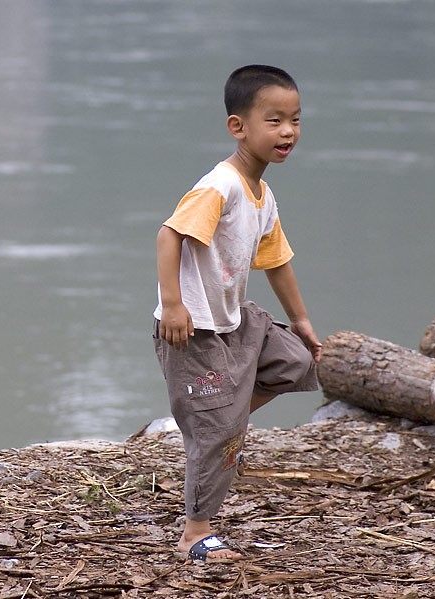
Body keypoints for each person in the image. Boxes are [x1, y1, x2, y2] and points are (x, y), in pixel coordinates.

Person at [152, 65, 323, 562]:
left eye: (295, 119)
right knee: (219, 435)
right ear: (238, 127)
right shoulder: (220, 186)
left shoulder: (262, 194)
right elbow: (169, 236)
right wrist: (172, 305)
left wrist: (303, 320)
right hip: (193, 328)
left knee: (296, 361)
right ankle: (195, 534)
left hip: (234, 318)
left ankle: (212, 420)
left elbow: (277, 261)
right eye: (274, 120)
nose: (288, 131)